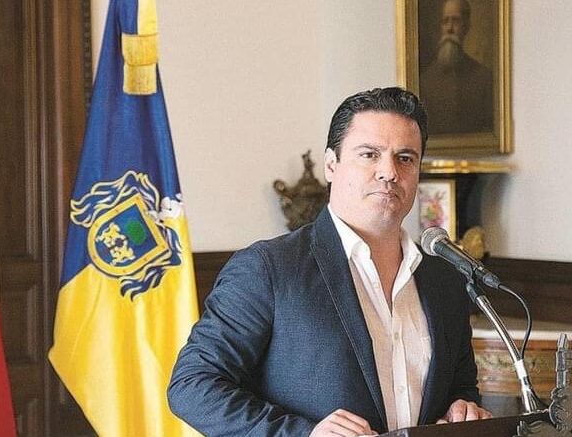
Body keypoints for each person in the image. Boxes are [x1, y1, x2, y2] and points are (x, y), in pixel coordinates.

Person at [167, 87, 491, 436]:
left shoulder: (444, 278)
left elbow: (460, 389)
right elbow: (192, 385)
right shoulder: (268, 268)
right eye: (369, 154)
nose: (389, 172)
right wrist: (303, 434)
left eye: (405, 158)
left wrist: (463, 408)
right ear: (331, 165)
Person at [420, 0, 493, 134]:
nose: (449, 28)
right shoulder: (425, 81)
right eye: (445, 21)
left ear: (466, 26)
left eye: (456, 21)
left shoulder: (484, 78)